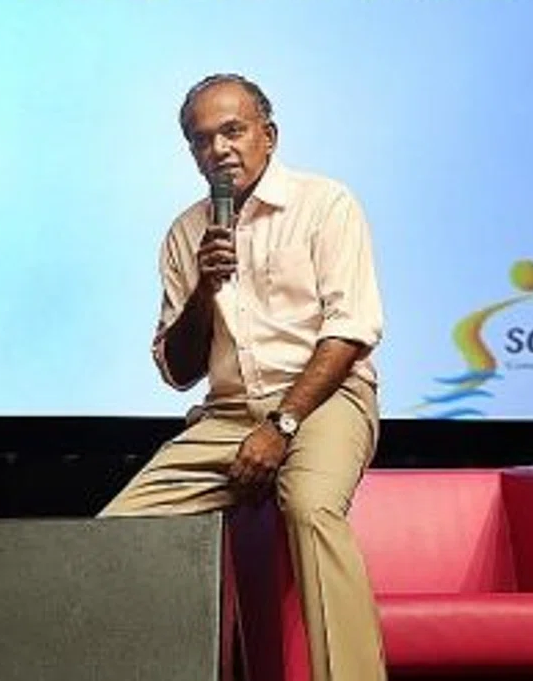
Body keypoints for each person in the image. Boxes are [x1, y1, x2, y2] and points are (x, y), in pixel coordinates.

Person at [101, 74, 386, 681]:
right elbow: (178, 372)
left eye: (233, 131)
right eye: (202, 141)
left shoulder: (324, 203)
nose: (219, 150)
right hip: (228, 416)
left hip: (320, 401)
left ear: (268, 135)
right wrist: (205, 287)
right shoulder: (186, 233)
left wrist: (283, 425)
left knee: (309, 508)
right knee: (113, 539)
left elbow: (350, 333)